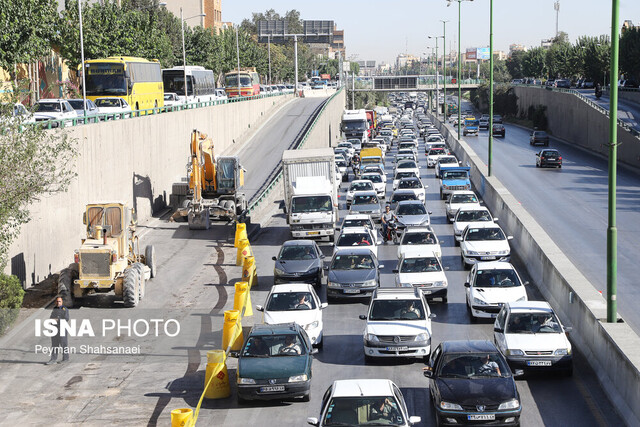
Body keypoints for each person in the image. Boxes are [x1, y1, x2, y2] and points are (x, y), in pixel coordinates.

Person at [45, 296, 70, 365]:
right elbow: (51, 317)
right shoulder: (54, 309)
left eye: (59, 301)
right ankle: (53, 359)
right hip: (55, 329)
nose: (58, 303)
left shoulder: (65, 309)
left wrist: (57, 320)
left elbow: (66, 319)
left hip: (62, 329)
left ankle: (66, 358)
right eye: (57, 301)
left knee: (63, 344)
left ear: (62, 302)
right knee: (54, 344)